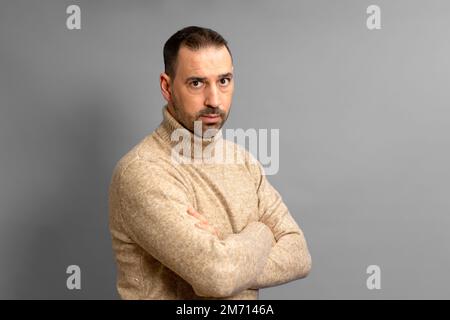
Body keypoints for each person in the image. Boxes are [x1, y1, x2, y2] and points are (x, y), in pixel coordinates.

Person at [108, 26, 312, 300]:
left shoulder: (243, 162)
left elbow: (299, 254)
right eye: (197, 83)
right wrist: (261, 231)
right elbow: (217, 276)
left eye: (224, 81)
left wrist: (228, 254)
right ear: (167, 87)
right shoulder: (142, 171)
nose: (214, 100)